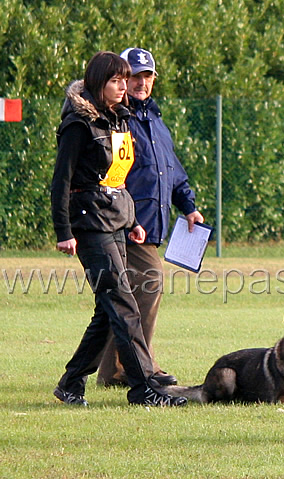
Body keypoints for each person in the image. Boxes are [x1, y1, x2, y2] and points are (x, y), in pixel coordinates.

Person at [50, 51, 187, 407]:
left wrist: (133, 222)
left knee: (107, 310)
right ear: (98, 84)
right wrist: (64, 231)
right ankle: (145, 389)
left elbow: (118, 179)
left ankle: (70, 383)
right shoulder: (78, 125)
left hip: (117, 221)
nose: (124, 86)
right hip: (89, 224)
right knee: (123, 305)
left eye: (125, 80)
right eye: (117, 80)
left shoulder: (119, 121)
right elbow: (60, 182)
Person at [95, 47, 204, 388]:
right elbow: (109, 174)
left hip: (150, 226)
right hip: (125, 224)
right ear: (123, 80)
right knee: (150, 281)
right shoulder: (118, 119)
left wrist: (188, 205)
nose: (142, 82)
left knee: (121, 298)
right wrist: (123, 216)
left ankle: (114, 370)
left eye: (147, 76)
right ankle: (141, 364)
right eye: (134, 76)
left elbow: (173, 172)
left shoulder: (155, 122)